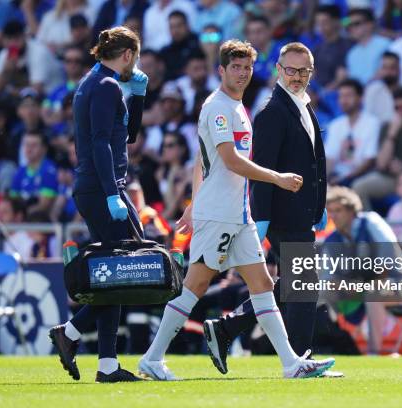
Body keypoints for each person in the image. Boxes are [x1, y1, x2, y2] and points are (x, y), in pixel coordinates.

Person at [138, 40, 334, 380]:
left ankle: (291, 363)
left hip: (237, 213)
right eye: (236, 67)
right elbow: (228, 159)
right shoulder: (218, 107)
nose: (242, 73)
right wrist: (277, 177)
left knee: (262, 285)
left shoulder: (236, 107)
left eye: (247, 67)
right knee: (195, 287)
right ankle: (152, 358)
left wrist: (192, 203)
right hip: (220, 213)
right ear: (221, 70)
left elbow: (203, 160)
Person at [201, 42, 328, 370]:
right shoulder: (272, 112)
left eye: (303, 71)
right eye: (291, 70)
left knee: (285, 285)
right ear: (279, 70)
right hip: (283, 212)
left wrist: (319, 204)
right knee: (303, 285)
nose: (297, 76)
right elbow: (261, 168)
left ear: (311, 73)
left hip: (301, 211)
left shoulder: (302, 106)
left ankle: (227, 327)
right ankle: (301, 360)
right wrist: (263, 218)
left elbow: (315, 164)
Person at [48, 26, 148, 383]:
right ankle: (72, 334)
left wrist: (137, 95)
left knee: (118, 271)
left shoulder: (96, 82)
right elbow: (102, 143)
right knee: (127, 268)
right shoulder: (105, 86)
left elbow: (128, 135)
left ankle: (105, 363)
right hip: (104, 187)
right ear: (127, 56)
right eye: (133, 59)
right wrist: (111, 193)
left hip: (100, 186)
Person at [321, 186, 402, 354]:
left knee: (374, 292)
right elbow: (328, 278)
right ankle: (330, 347)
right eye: (331, 211)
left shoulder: (371, 222)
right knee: (321, 294)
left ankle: (374, 353)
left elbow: (388, 261)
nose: (334, 216)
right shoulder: (332, 239)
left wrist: (357, 285)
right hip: (358, 290)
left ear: (352, 211)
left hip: (399, 284)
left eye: (338, 210)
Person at [325, 78, 380, 186]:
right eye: (341, 96)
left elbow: (369, 160)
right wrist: (324, 179)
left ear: (360, 98)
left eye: (348, 96)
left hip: (360, 176)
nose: (344, 100)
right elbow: (330, 158)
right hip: (337, 176)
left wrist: (346, 178)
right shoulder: (335, 125)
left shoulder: (372, 123)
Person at [345, 8, 391, 85]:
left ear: (370, 24)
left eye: (356, 24)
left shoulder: (385, 44)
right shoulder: (351, 53)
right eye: (350, 25)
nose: (352, 28)